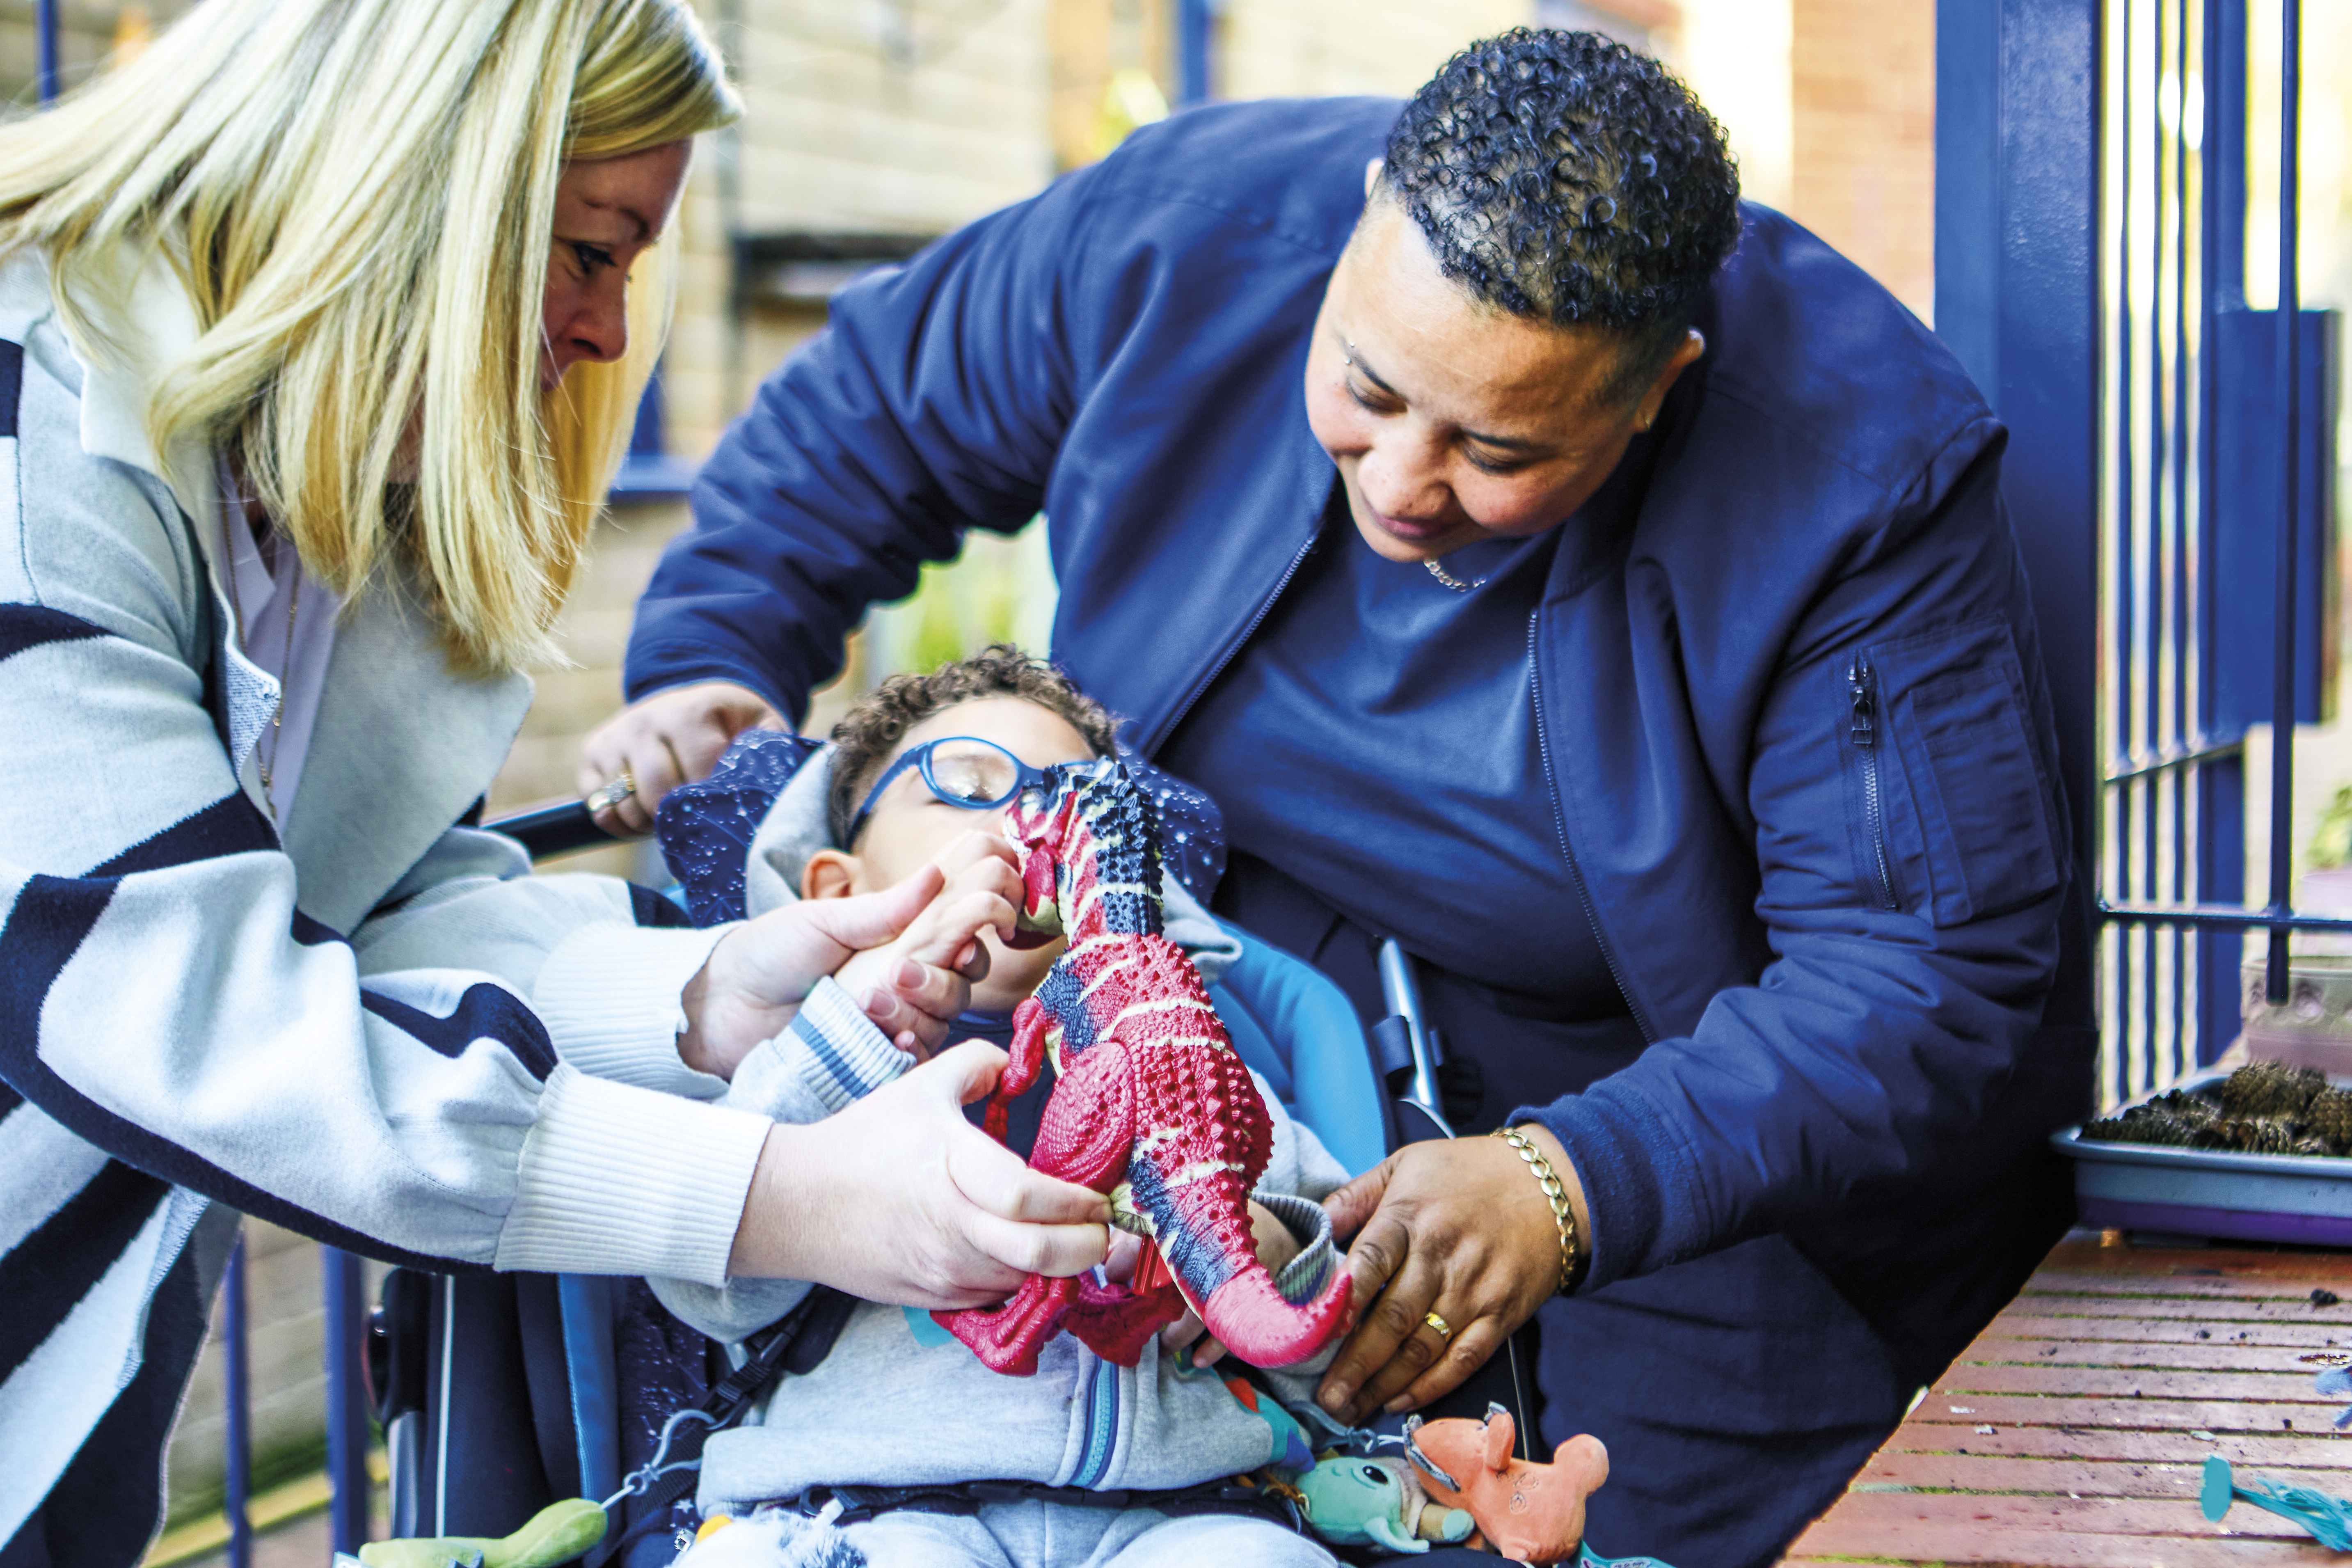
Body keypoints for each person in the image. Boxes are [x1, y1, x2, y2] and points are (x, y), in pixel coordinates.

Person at [586, 30, 2088, 1568]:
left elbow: (1922, 973)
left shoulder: (1860, 472)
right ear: (1366, 212)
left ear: (1659, 391)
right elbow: (868, 416)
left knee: (1639, 1529)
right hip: (1213, 992)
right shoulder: (1179, 237)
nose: (1399, 484)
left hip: (1668, 1093)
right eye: (1367, 389)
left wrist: (1571, 1185)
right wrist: (713, 664)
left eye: (1498, 450)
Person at [0, 7, 1109, 1565]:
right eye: (591, 250)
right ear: (412, 191)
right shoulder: (27, 453)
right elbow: (201, 1025)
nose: (603, 336)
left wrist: (713, 994)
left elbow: (382, 902)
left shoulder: (312, 466)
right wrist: (779, 1196)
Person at [641, 647, 1352, 1568]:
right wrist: (853, 1030)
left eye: (1065, 794)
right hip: (860, 1510)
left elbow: (1331, 1343)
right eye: (965, 786)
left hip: (1185, 1512)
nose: (1024, 819)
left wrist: (1266, 1243)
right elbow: (704, 1286)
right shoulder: (801, 1075)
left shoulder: (1206, 1071)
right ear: (841, 887)